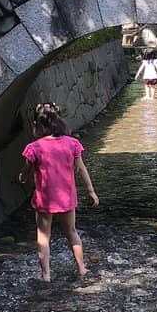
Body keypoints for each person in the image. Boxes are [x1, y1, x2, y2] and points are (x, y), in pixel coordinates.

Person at [19, 102, 99, 282]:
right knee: (72, 231)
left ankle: (46, 275)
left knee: (43, 237)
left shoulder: (34, 147)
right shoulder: (72, 144)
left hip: (45, 199)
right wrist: (91, 191)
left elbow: (27, 171)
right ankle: (81, 268)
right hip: (66, 197)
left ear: (38, 125)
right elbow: (81, 169)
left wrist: (22, 177)